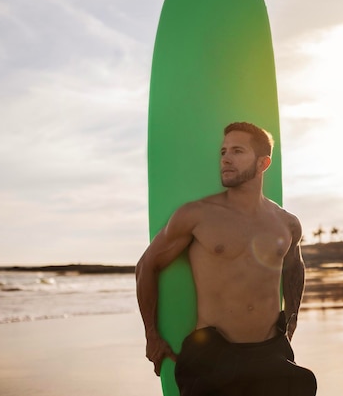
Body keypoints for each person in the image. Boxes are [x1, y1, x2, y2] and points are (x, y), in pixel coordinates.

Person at [136, 122, 317, 395]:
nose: (226, 159)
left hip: (271, 353)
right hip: (213, 355)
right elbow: (146, 266)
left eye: (237, 151)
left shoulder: (287, 223)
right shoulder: (196, 215)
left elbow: (294, 267)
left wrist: (292, 319)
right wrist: (152, 334)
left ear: (263, 163)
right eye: (223, 152)